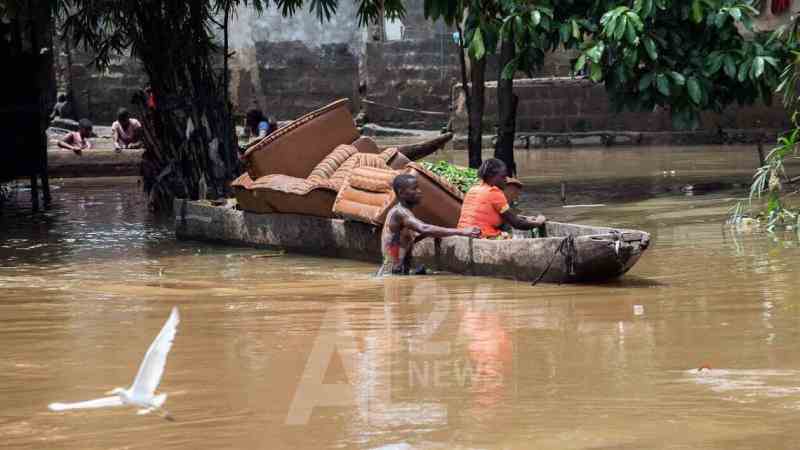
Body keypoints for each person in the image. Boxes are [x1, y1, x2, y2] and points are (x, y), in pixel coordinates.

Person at [379, 173, 480, 275]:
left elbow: (407, 240)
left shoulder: (405, 213)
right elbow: (424, 228)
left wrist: (432, 233)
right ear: (401, 193)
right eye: (414, 189)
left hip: (399, 273)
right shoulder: (400, 213)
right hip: (391, 275)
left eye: (418, 188)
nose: (419, 191)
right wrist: (462, 231)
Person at [458, 158, 546, 239]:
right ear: (490, 177)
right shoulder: (494, 192)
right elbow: (516, 223)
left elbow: (505, 216)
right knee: (508, 236)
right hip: (482, 236)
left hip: (462, 234)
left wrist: (525, 219)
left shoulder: (472, 189)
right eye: (503, 177)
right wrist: (538, 222)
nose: (506, 180)